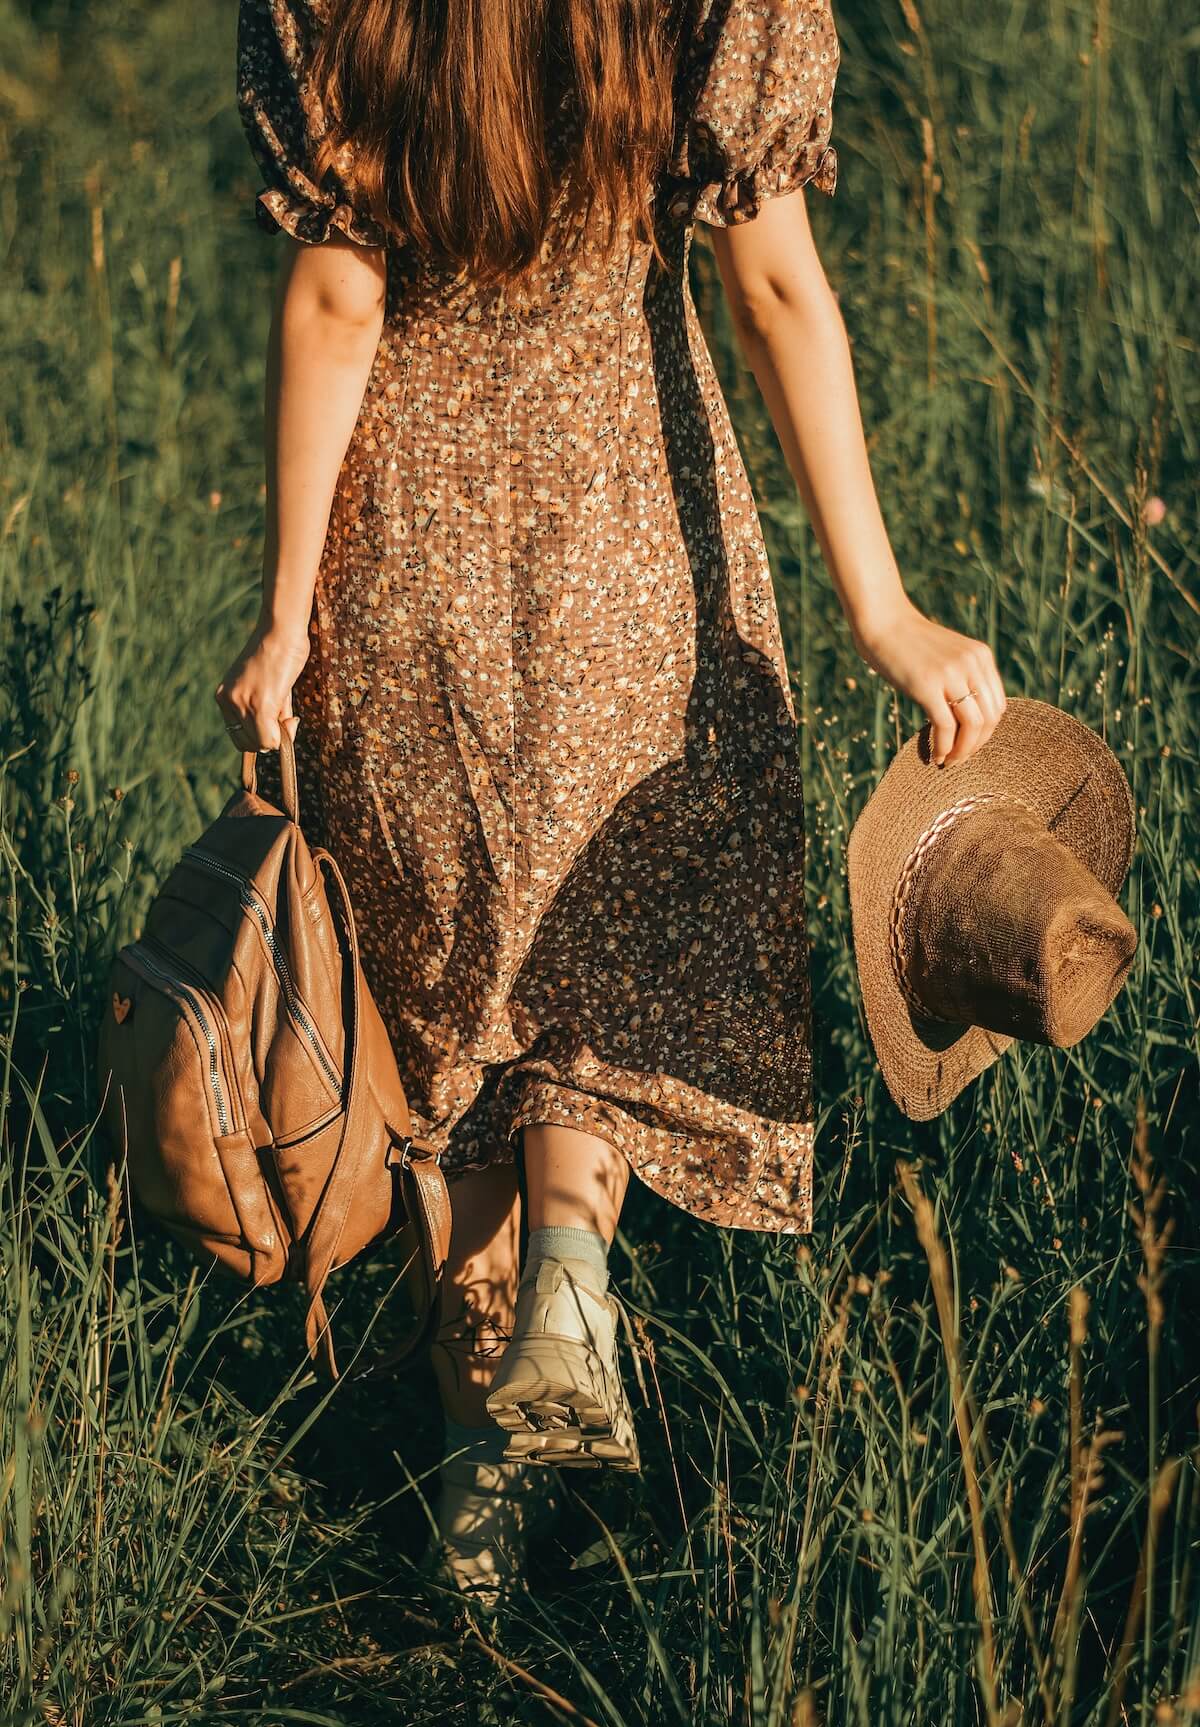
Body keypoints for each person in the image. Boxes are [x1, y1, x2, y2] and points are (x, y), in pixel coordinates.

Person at [220, 0, 1006, 1605]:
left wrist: (291, 612)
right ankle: (576, 1276)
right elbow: (776, 279)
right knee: (602, 985)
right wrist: (884, 609)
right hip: (633, 533)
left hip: (407, 556)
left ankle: (473, 1529)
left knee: (455, 1027)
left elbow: (335, 300)